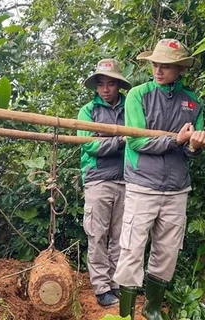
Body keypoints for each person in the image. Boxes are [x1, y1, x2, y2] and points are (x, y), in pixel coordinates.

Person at [113, 39, 205, 319]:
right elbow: (135, 141)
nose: (158, 70)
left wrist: (195, 144)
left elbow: (193, 148)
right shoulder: (138, 95)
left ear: (180, 68)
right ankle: (126, 313)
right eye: (155, 64)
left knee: (167, 250)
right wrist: (175, 141)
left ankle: (152, 308)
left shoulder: (192, 101)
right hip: (142, 184)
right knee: (132, 246)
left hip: (177, 188)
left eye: (166, 66)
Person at [77, 59, 132, 307]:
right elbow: (89, 145)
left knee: (120, 235)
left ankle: (115, 283)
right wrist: (120, 140)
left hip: (127, 179)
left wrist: (107, 139)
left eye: (110, 84)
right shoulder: (88, 111)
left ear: (118, 85)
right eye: (101, 84)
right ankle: (101, 286)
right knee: (97, 234)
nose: (105, 89)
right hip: (98, 179)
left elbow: (138, 140)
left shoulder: (130, 109)